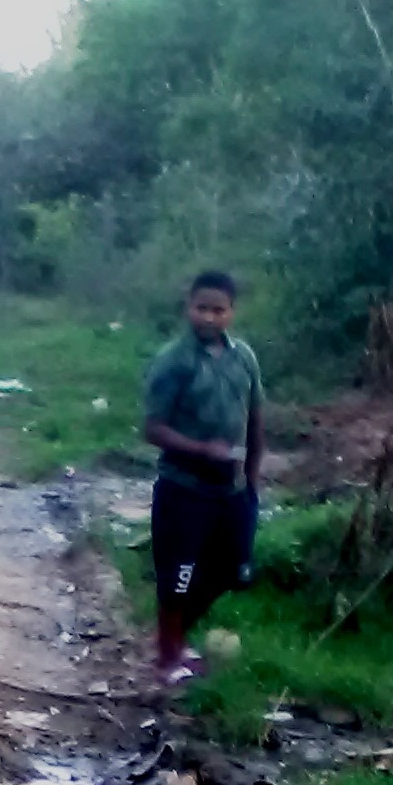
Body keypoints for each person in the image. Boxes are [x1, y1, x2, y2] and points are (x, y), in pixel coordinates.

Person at [142, 270, 264, 684]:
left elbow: (256, 419)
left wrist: (252, 480)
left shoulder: (243, 357)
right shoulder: (174, 361)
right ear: (187, 308)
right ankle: (167, 656)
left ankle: (173, 638)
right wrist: (200, 450)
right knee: (178, 575)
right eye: (201, 308)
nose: (209, 318)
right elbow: (153, 428)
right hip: (184, 487)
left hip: (231, 489)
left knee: (233, 570)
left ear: (232, 312)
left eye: (219, 310)